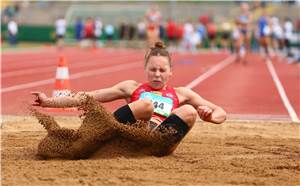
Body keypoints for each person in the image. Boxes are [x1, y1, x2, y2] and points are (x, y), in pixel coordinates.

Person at [32, 41, 226, 155]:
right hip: (128, 139)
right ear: (146, 70)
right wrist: (49, 101)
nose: (157, 74)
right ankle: (97, 140)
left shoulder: (182, 93)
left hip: (159, 143)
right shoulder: (131, 87)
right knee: (145, 106)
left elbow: (221, 113)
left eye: (162, 70)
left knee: (189, 111)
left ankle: (153, 148)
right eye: (153, 69)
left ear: (170, 73)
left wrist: (210, 117)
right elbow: (90, 96)